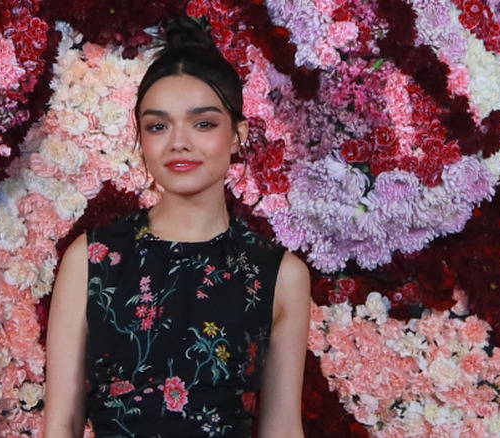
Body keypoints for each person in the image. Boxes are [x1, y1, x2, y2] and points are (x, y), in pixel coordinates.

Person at [45, 16, 310, 438]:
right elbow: (61, 423)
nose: (179, 142)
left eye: (203, 123)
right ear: (142, 139)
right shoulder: (93, 259)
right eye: (158, 126)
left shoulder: (278, 274)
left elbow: (281, 428)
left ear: (238, 134)